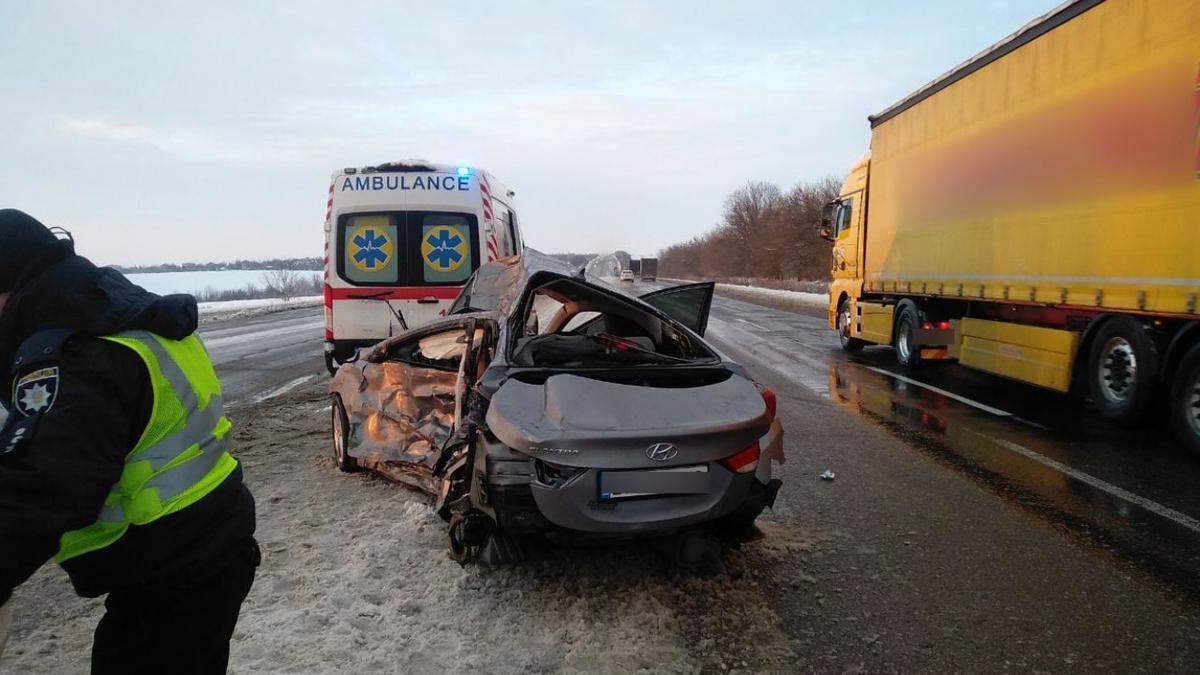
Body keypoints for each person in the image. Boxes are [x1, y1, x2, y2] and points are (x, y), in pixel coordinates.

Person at [0, 209, 259, 673]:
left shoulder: (78, 354)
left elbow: (43, 487)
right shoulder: (121, 315)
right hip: (204, 547)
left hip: (177, 572)